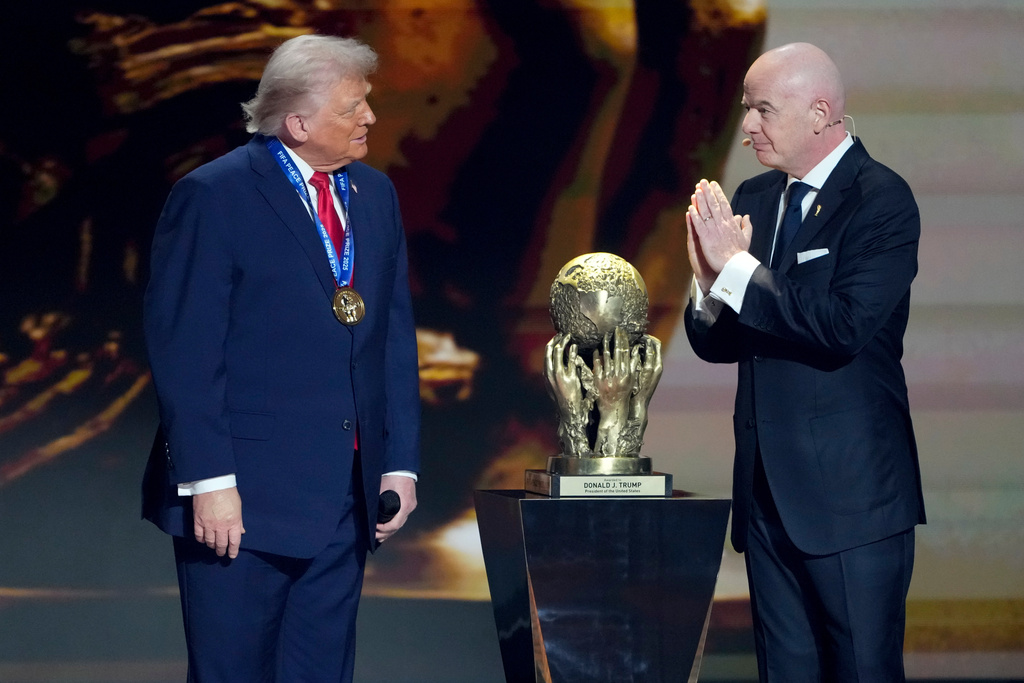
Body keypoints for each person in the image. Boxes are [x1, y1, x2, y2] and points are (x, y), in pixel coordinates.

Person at [141, 34, 421, 682]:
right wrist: (210, 483)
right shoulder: (214, 195)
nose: (370, 119)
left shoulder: (374, 196)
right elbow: (186, 351)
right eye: (354, 107)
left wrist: (398, 461)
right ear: (297, 122)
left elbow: (392, 337)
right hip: (240, 502)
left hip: (343, 502)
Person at [684, 43, 925, 682]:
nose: (746, 126)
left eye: (763, 109)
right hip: (766, 499)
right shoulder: (756, 199)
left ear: (820, 113)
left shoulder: (880, 200)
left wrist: (737, 267)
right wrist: (708, 283)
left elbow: (841, 327)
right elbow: (720, 343)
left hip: (851, 502)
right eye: (744, 108)